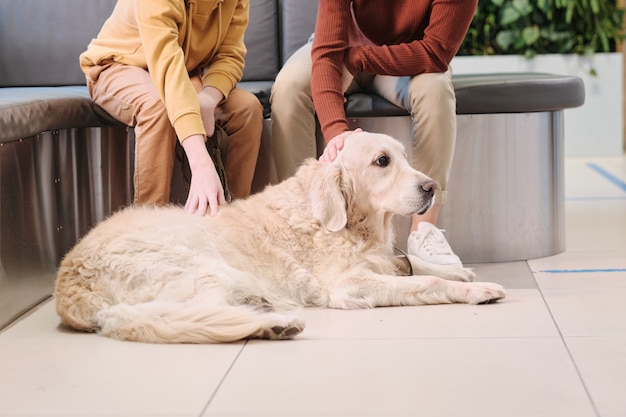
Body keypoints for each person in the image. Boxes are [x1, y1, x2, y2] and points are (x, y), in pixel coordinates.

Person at [270, 0, 478, 267]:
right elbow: (327, 52)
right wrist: (336, 133)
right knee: (288, 89)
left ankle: (424, 231)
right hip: (340, 52)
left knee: (435, 90)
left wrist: (358, 59)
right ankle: (301, 221)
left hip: (408, 58)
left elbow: (436, 52)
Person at [80, 0, 263, 216]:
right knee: (158, 106)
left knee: (247, 108)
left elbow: (230, 54)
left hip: (185, 73)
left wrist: (208, 98)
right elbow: (167, 67)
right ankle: (150, 230)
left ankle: (231, 221)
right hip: (118, 64)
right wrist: (201, 164)